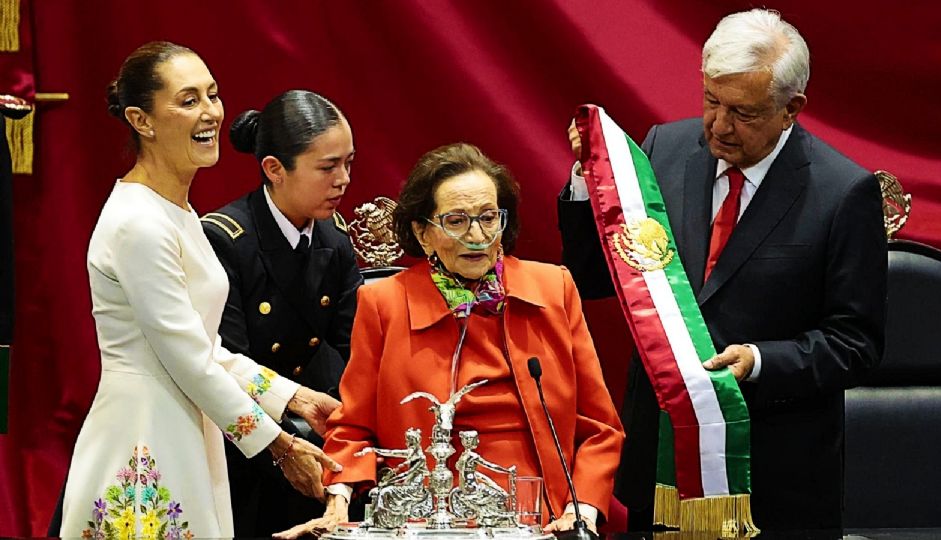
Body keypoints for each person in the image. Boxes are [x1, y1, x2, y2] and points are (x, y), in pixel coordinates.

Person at [558, 9, 887, 530]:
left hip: (772, 475)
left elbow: (856, 344)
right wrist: (586, 183)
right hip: (660, 465)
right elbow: (598, 281)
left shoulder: (844, 193)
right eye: (711, 100)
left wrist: (759, 361)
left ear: (791, 109)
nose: (719, 125)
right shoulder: (662, 150)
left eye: (744, 112)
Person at [59, 41, 341, 539]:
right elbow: (189, 359)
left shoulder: (177, 211)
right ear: (141, 120)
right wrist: (280, 445)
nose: (211, 112)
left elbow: (207, 349)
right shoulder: (138, 222)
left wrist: (293, 397)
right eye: (188, 100)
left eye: (212, 95)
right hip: (144, 439)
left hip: (190, 427)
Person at [276, 143, 624, 538]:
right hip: (427, 517)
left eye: (489, 218)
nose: (477, 236)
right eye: (456, 221)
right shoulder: (383, 303)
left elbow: (599, 427)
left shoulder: (552, 288)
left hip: (542, 514)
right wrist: (337, 505)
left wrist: (583, 513)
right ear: (423, 234)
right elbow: (353, 427)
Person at [201, 90, 362, 535]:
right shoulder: (225, 239)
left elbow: (350, 348)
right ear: (274, 169)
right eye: (328, 167)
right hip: (246, 439)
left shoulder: (333, 238)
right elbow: (223, 364)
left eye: (349, 162)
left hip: (316, 427)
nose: (344, 179)